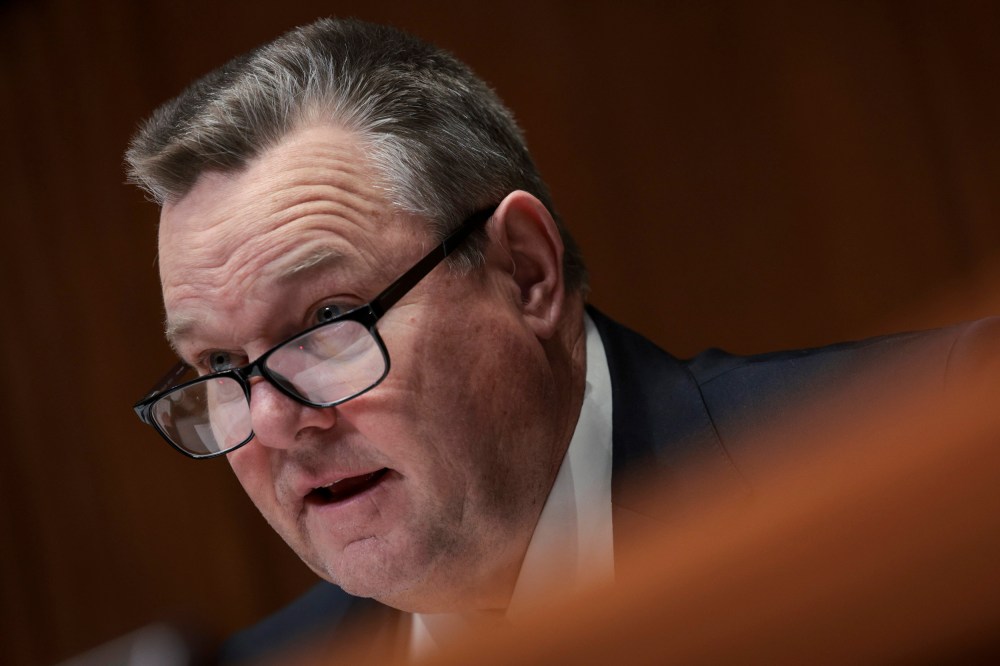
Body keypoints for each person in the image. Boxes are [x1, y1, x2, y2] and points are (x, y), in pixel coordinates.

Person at [126, 17, 998, 664]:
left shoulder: (946, 450)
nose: (274, 422)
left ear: (527, 272)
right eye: (221, 366)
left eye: (325, 322)